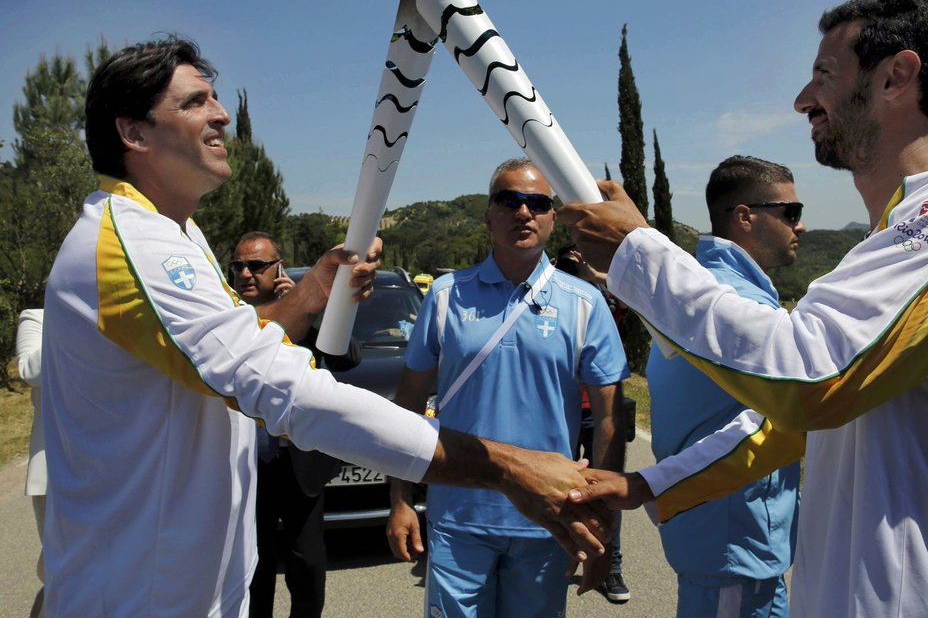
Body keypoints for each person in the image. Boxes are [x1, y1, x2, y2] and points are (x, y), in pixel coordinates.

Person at [40, 37, 610, 617]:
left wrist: (313, 292)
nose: (221, 113)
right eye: (194, 103)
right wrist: (509, 467)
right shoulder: (133, 244)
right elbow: (289, 391)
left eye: (215, 97)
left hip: (180, 589)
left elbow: (234, 342)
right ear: (134, 133)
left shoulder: (178, 235)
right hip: (138, 598)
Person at [561, 0, 928, 616]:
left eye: (825, 74)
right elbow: (786, 425)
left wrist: (639, 253)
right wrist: (647, 484)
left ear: (896, 76)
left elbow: (812, 376)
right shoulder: (891, 241)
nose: (802, 99)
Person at [386, 158, 630, 618]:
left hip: (547, 519)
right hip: (458, 519)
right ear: (489, 215)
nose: (523, 212)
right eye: (508, 200)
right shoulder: (445, 296)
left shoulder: (585, 304)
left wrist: (604, 527)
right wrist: (400, 500)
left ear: (553, 218)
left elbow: (610, 420)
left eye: (537, 203)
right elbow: (409, 404)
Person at [645, 155, 803, 617]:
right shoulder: (741, 307)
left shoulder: (696, 292)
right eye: (790, 212)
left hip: (732, 538)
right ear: (745, 216)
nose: (801, 225)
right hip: (737, 537)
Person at [231, 231, 344, 618]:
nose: (246, 273)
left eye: (257, 265)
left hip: (299, 463)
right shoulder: (225, 315)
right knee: (252, 566)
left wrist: (304, 309)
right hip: (244, 465)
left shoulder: (304, 310)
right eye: (239, 266)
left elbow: (349, 357)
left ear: (278, 267)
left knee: (307, 564)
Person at [555, 243, 631, 603]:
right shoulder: (549, 292)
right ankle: (561, 553)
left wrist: (596, 277)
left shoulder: (600, 296)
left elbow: (631, 308)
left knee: (607, 490)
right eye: (568, 257)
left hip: (598, 409)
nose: (574, 263)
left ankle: (610, 565)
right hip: (562, 408)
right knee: (562, 489)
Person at [16, 308, 46, 618]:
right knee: (58, 566)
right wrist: (74, 327)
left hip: (111, 463)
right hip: (54, 468)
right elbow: (28, 371)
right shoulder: (37, 318)